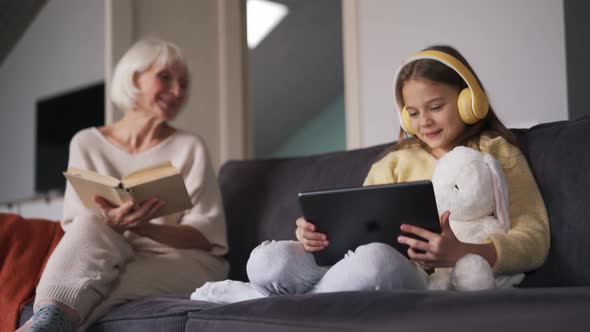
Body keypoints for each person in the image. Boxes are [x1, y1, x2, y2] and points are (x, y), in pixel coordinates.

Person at [191, 44, 549, 304]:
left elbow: (534, 237)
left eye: (435, 107)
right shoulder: (394, 162)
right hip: (353, 267)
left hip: (417, 277)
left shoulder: (496, 152)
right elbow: (359, 231)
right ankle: (270, 296)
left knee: (375, 261)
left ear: (470, 100)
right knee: (267, 260)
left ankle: (255, 301)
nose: (423, 121)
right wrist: (315, 236)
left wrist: (464, 252)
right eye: (412, 112)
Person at [19, 37, 228, 331]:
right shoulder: (87, 142)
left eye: (184, 83)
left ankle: (42, 324)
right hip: (108, 252)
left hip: (183, 260)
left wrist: (145, 227)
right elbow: (76, 228)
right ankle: (47, 320)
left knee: (104, 284)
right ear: (134, 79)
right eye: (165, 77)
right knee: (91, 222)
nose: (178, 91)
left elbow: (207, 235)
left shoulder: (190, 147)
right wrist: (116, 223)